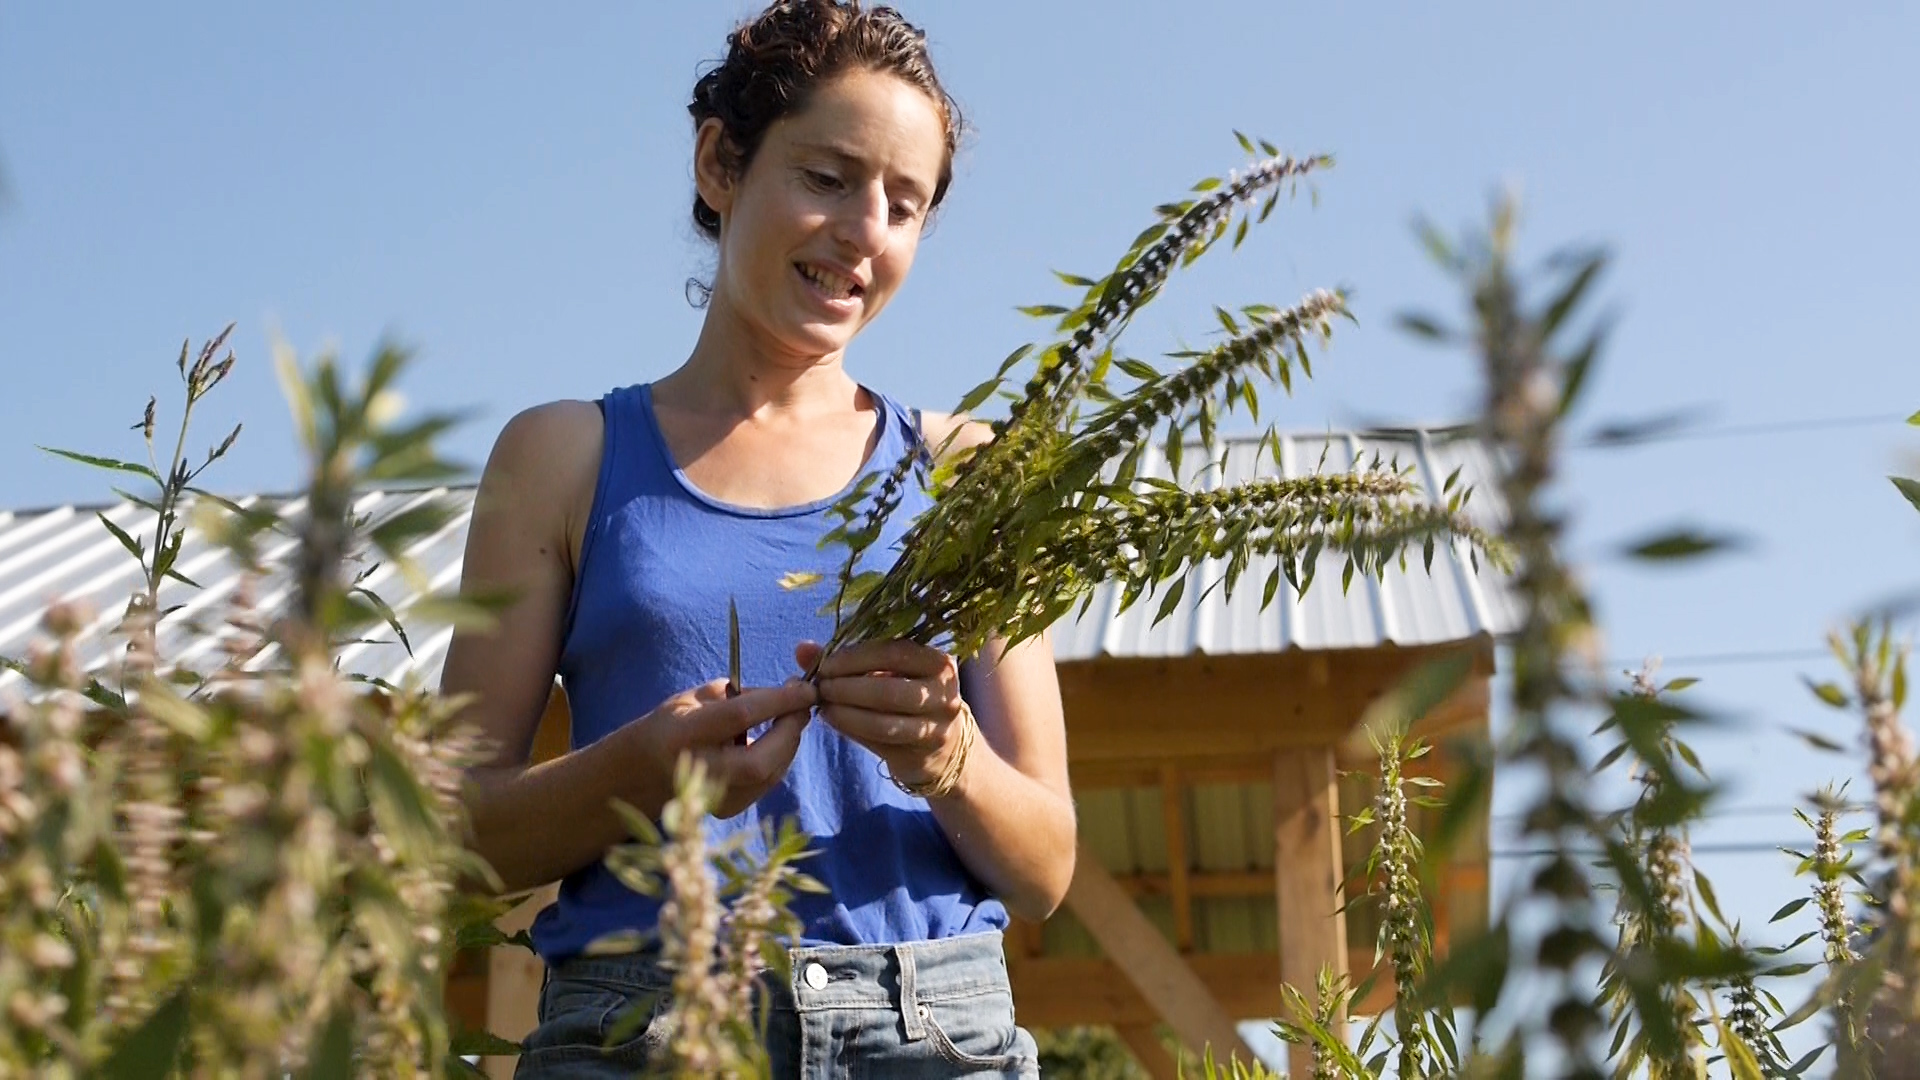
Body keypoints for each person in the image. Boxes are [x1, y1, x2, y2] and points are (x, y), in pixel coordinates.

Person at [441, 3, 1077, 1076]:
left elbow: (1047, 867)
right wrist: (641, 776)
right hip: (643, 1028)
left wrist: (951, 757)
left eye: (904, 204)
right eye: (827, 178)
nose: (865, 230)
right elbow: (451, 836)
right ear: (719, 163)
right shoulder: (561, 458)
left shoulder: (969, 471)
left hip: (927, 1035)